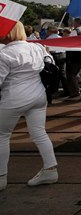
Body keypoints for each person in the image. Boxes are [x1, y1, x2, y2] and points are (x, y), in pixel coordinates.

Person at [0, 22, 59, 191]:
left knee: (2, 136)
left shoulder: (4, 54)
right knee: (39, 133)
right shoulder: (38, 48)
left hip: (13, 98)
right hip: (38, 96)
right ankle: (50, 169)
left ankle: (1, 177)